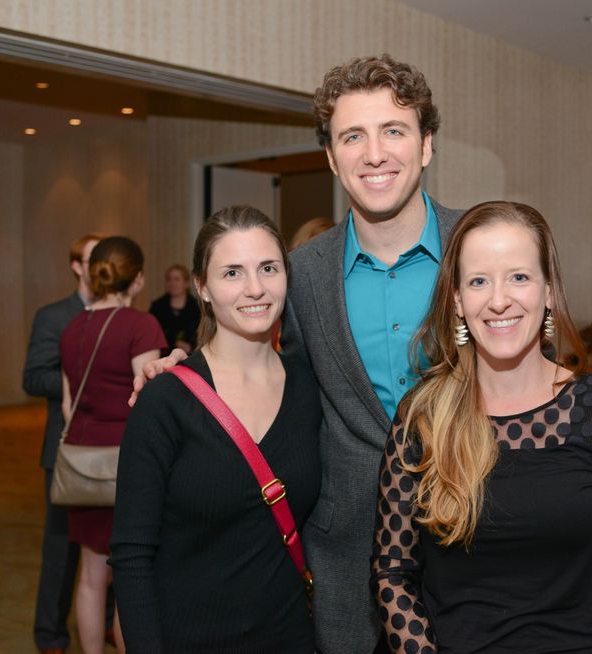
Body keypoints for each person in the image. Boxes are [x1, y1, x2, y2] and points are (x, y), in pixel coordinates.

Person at [133, 55, 464, 653]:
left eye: (394, 130)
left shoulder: (482, 245)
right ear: (333, 158)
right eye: (352, 137)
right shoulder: (301, 273)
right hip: (347, 569)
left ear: (426, 144)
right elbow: (255, 347)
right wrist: (181, 366)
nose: (375, 153)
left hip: (476, 545)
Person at [373, 201, 592, 653]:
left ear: (549, 291)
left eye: (519, 277)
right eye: (478, 281)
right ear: (456, 300)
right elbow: (394, 574)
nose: (498, 299)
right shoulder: (423, 417)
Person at [111, 206, 321, 653]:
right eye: (232, 273)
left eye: (269, 268)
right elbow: (131, 555)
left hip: (289, 638)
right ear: (202, 288)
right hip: (188, 639)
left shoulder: (310, 388)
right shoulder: (165, 401)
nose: (256, 288)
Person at [60, 236, 166, 654]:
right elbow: (149, 405)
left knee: (90, 576)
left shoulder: (73, 327)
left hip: (84, 463)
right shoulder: (142, 326)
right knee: (131, 575)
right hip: (129, 462)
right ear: (137, 279)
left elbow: (68, 405)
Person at [23, 233, 102, 654]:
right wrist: (87, 381)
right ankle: (50, 635)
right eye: (93, 258)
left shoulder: (123, 314)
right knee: (61, 550)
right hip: (65, 451)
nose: (103, 264)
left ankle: (106, 622)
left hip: (114, 451)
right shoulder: (53, 316)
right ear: (77, 266)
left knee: (109, 545)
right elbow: (33, 377)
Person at [148, 264, 201, 356]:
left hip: (192, 358)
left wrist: (191, 347)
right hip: (162, 358)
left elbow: (204, 334)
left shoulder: (197, 307)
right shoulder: (157, 307)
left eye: (176, 279)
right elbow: (150, 334)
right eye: (169, 279)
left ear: (186, 283)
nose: (172, 283)